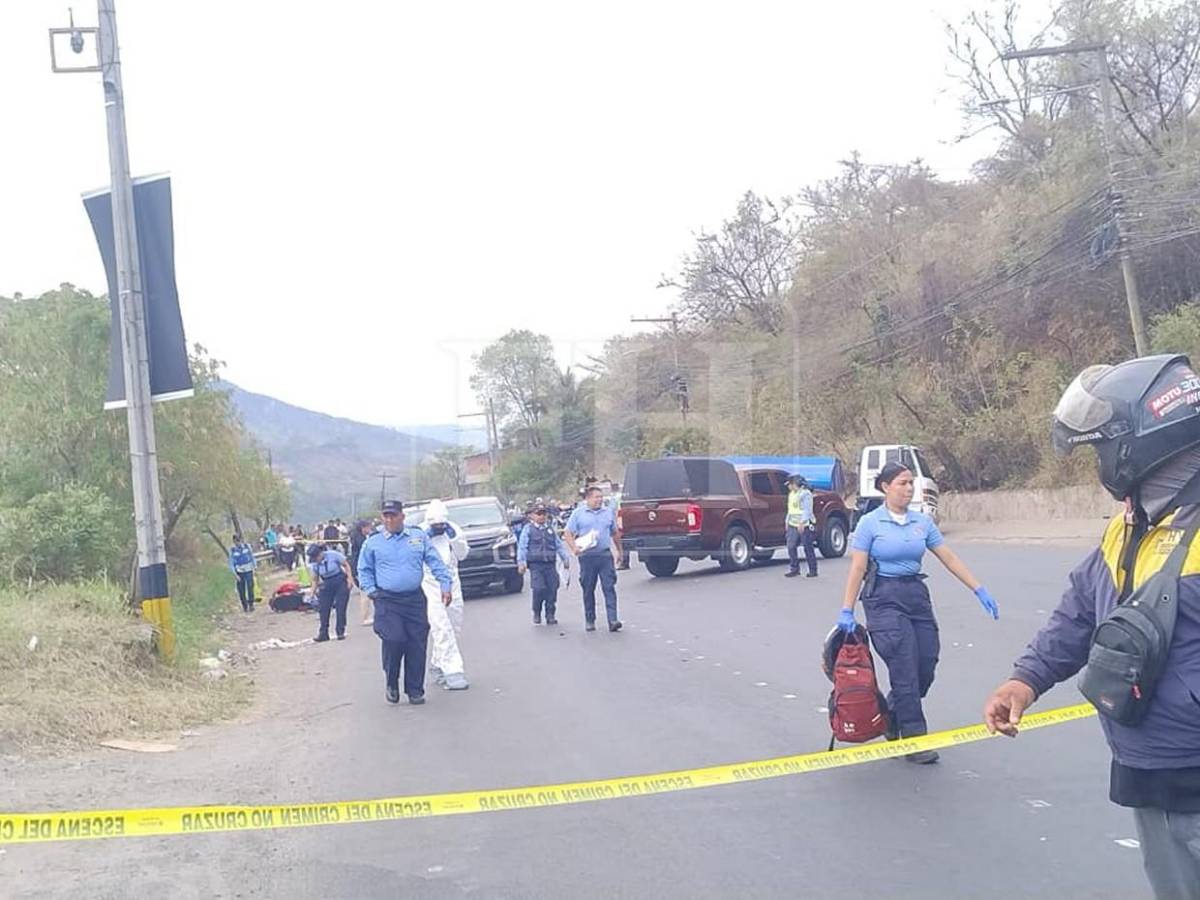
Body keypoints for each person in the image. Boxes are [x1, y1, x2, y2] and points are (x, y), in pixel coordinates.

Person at [983, 354, 1200, 899]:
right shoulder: (1137, 520)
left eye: (1101, 448)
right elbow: (1082, 608)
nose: (1098, 461)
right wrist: (1026, 678)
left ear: (1140, 444)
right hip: (1150, 773)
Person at [836, 461, 998, 764]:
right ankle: (913, 739)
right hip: (882, 597)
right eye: (902, 483)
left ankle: (892, 715)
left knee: (926, 663)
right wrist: (847, 609)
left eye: (911, 483)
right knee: (904, 667)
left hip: (915, 595)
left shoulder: (921, 522)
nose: (909, 488)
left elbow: (947, 557)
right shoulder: (870, 524)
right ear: (885, 487)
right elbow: (858, 567)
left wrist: (978, 588)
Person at [357, 499, 453, 705]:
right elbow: (363, 569)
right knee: (393, 640)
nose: (389, 519)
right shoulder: (373, 542)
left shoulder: (418, 537)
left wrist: (445, 583)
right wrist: (372, 591)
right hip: (387, 600)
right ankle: (391, 682)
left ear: (402, 516)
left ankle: (415, 689)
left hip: (414, 599)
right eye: (386, 516)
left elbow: (435, 561)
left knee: (416, 643)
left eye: (393, 515)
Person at [420, 499, 471, 691]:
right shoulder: (420, 533)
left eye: (442, 524)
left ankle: (438, 663)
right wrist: (425, 538)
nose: (439, 527)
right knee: (441, 625)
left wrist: (454, 538)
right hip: (431, 583)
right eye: (436, 525)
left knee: (454, 624)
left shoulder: (453, 529)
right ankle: (453, 671)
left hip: (453, 580)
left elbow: (463, 554)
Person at [564, 485, 623, 632]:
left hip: (604, 555)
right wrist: (574, 548)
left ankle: (613, 619)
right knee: (588, 588)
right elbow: (568, 533)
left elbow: (615, 533)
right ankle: (590, 619)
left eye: (601, 497)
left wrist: (620, 551)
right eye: (596, 497)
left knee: (609, 587)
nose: (599, 500)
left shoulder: (608, 512)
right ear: (588, 498)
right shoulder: (578, 514)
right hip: (587, 556)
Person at [518, 502, 572, 625]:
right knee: (538, 589)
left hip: (550, 565)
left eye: (544, 514)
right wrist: (521, 562)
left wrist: (565, 559)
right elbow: (522, 547)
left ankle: (550, 614)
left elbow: (558, 545)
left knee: (552, 589)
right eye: (538, 514)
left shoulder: (550, 529)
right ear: (532, 515)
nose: (542, 516)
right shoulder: (528, 530)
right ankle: (537, 611)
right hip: (536, 565)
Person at [307, 542, 354, 642]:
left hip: (340, 581)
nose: (316, 559)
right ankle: (323, 633)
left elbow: (346, 565)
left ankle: (340, 631)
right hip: (326, 583)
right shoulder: (315, 564)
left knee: (340, 607)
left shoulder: (333, 555)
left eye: (317, 557)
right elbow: (315, 580)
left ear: (321, 553)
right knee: (323, 608)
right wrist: (312, 593)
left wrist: (350, 579)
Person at [784, 474, 818, 579]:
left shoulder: (805, 494)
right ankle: (794, 569)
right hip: (792, 523)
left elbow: (807, 510)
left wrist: (802, 522)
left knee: (807, 547)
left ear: (795, 484)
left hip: (804, 524)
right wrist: (787, 521)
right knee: (791, 546)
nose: (788, 487)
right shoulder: (791, 494)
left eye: (790, 484)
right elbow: (790, 509)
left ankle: (813, 570)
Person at [349, 520, 374, 627]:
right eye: (368, 527)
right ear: (363, 528)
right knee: (365, 594)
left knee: (367, 594)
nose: (370, 530)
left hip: (356, 568)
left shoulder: (357, 538)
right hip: (359, 569)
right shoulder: (361, 541)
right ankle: (365, 617)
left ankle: (368, 616)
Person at [229, 534, 257, 613]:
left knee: (250, 586)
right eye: (236, 541)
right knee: (241, 589)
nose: (238, 543)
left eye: (239, 541)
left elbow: (252, 557)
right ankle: (244, 605)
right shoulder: (232, 550)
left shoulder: (247, 547)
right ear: (234, 542)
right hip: (239, 571)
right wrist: (235, 574)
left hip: (248, 569)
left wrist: (255, 567)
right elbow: (231, 563)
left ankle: (251, 603)